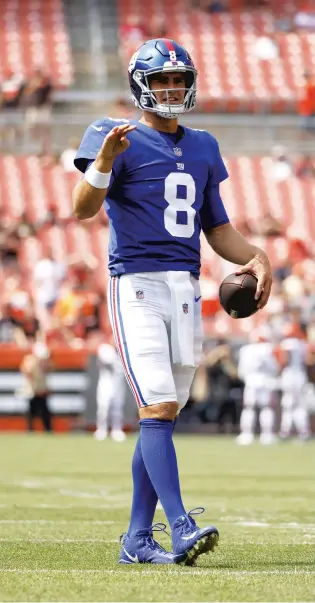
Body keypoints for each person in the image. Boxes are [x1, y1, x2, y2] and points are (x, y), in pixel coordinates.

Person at [73, 38, 272, 566]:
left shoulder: (203, 145)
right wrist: (103, 163)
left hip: (187, 286)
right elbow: (82, 210)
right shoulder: (112, 134)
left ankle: (138, 540)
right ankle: (179, 525)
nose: (171, 88)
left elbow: (218, 229)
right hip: (136, 283)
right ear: (141, 83)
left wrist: (256, 257)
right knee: (157, 406)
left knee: (163, 414)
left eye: (178, 80)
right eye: (162, 79)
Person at [237, 326, 279, 445]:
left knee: (248, 408)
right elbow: (273, 368)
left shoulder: (246, 349)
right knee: (266, 408)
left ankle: (246, 434)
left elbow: (242, 370)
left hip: (251, 381)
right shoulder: (268, 349)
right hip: (265, 381)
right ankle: (267, 435)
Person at [94, 340, 127, 442]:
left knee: (118, 408)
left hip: (118, 383)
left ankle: (117, 429)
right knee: (103, 407)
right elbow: (107, 361)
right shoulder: (105, 349)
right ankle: (101, 429)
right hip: (106, 383)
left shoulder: (125, 350)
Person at [19, 342, 53, 432]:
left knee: (45, 412)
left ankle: (48, 429)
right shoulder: (30, 361)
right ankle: (30, 429)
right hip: (32, 390)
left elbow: (49, 370)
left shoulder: (46, 362)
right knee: (31, 412)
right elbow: (26, 371)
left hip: (42, 389)